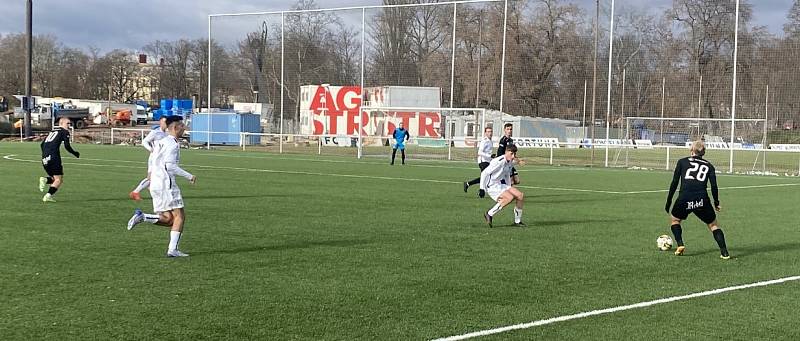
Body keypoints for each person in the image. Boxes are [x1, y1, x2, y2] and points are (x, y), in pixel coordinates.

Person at [127, 116, 196, 257]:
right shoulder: (173, 144)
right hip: (166, 184)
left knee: (168, 219)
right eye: (182, 126)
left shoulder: (160, 142)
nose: (184, 129)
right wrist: (189, 176)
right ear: (176, 128)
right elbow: (170, 166)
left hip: (156, 184)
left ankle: (143, 217)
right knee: (180, 217)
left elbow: (153, 161)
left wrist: (150, 177)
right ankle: (172, 250)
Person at [664, 140, 730, 260]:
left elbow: (674, 182)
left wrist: (669, 201)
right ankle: (724, 252)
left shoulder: (682, 162)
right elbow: (714, 186)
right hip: (702, 198)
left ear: (691, 150)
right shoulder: (709, 166)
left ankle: (680, 244)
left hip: (685, 197)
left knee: (675, 220)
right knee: (713, 225)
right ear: (703, 153)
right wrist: (716, 202)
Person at [478, 144, 525, 228]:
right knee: (509, 198)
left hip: (500, 184)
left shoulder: (509, 161)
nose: (513, 156)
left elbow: (506, 174)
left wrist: (509, 187)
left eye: (514, 154)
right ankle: (489, 214)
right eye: (511, 154)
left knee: (520, 195)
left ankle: (517, 221)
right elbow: (484, 173)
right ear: (506, 152)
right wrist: (482, 188)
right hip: (491, 186)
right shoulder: (498, 161)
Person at [39, 117, 80, 202]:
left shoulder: (52, 132)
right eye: (67, 123)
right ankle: (48, 196)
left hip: (45, 158)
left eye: (70, 123)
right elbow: (67, 146)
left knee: (55, 178)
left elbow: (42, 144)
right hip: (54, 157)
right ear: (61, 124)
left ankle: (45, 180)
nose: (69, 125)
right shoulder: (64, 132)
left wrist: (46, 154)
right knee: (59, 180)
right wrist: (75, 153)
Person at [129, 115, 169, 201]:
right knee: (150, 177)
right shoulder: (155, 132)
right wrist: (151, 149)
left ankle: (152, 189)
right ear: (160, 122)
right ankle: (135, 192)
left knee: (159, 176)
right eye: (165, 122)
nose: (166, 124)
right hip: (154, 158)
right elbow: (145, 141)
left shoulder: (166, 133)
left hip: (162, 158)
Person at [464, 126, 493, 192]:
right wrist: (490, 156)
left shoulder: (490, 141)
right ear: (485, 133)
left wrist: (491, 158)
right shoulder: (484, 141)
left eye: (491, 131)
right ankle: (482, 190)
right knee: (486, 176)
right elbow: (479, 152)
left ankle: (468, 184)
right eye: (488, 132)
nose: (490, 133)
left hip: (487, 161)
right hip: (483, 161)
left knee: (486, 176)